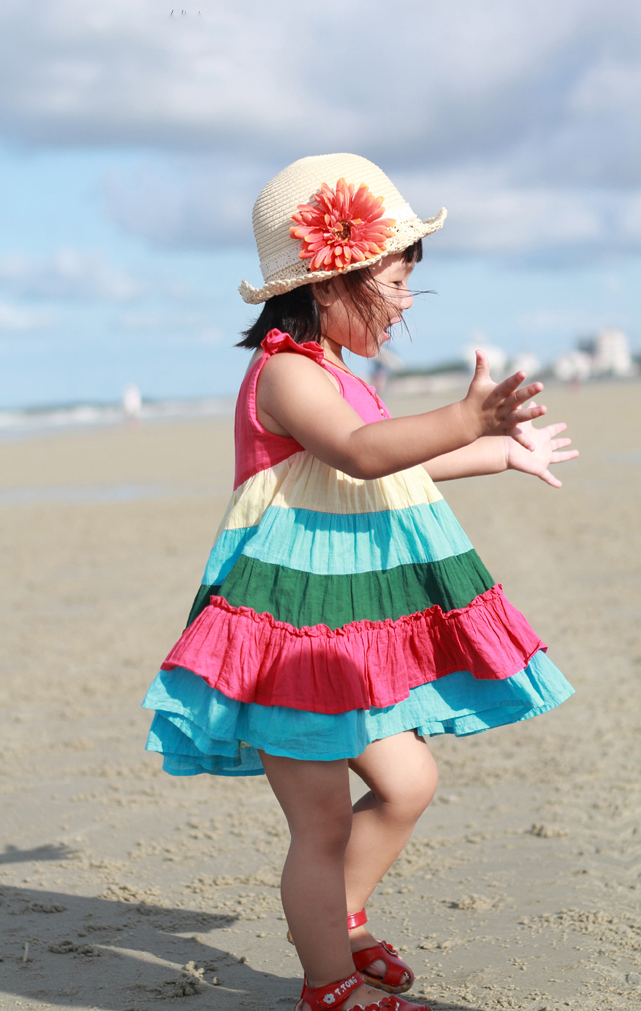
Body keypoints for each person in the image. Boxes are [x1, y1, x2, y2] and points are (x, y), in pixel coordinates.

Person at [142, 154, 578, 1011]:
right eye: (395, 280)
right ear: (328, 278)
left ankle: (339, 914)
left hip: (350, 625)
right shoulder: (288, 373)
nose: (407, 301)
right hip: (285, 630)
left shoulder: (342, 375)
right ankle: (327, 982)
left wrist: (498, 450)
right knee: (323, 821)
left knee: (410, 781)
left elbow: (397, 466)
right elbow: (360, 452)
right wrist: (467, 413)